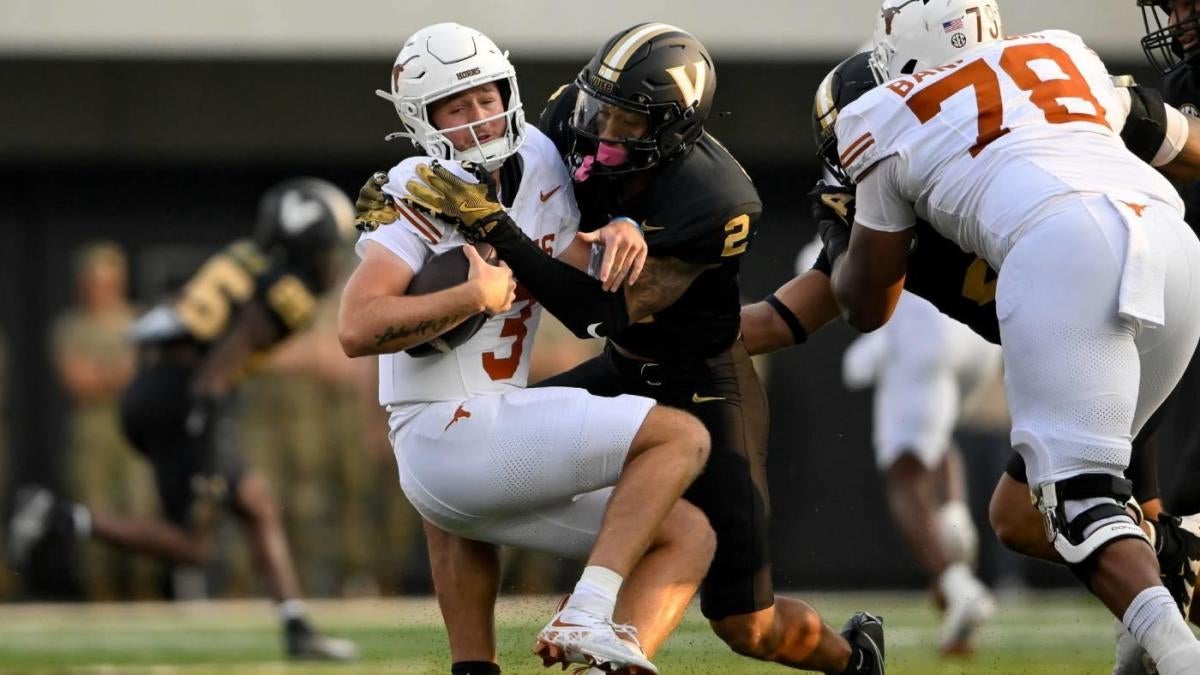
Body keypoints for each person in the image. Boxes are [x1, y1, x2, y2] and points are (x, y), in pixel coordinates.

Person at [396, 22, 886, 675]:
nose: (603, 130)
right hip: (621, 367)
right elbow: (516, 187)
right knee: (463, 476)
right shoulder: (567, 119)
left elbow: (593, 311)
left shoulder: (714, 200)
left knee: (746, 623)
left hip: (703, 385)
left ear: (674, 130)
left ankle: (855, 659)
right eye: (600, 108)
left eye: (628, 121)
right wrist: (404, 207)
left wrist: (502, 231)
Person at [827, 0, 1200, 670]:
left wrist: (843, 232)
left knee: (1078, 500)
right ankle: (1152, 625)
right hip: (1173, 243)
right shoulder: (1061, 52)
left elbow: (867, 302)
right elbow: (1189, 147)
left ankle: (1180, 656)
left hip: (1065, 247)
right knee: (1029, 509)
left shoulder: (881, 112)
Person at [340, 22, 716, 675]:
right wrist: (469, 296)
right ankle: (587, 610)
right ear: (421, 120)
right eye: (455, 108)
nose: (479, 119)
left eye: (486, 98)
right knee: (679, 437)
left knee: (688, 533)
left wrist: (618, 229)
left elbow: (562, 254)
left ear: (508, 91)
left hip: (487, 437)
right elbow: (356, 326)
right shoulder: (418, 186)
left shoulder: (540, 157)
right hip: (443, 433)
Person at [8, 178, 360, 661]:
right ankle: (57, 517)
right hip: (185, 401)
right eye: (325, 248)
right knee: (193, 546)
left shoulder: (244, 256)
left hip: (161, 386)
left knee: (257, 505)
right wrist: (206, 445)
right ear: (304, 245)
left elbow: (165, 324)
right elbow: (215, 378)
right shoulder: (287, 293)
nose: (331, 261)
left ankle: (296, 627)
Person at [841, 291, 1000, 654]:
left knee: (904, 470)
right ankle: (954, 517)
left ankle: (956, 585)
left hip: (923, 326)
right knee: (935, 437)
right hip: (980, 332)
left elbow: (837, 279)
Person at [49, 241, 157, 600]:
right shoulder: (71, 326)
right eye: (96, 280)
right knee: (94, 509)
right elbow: (78, 381)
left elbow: (146, 374)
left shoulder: (140, 321)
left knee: (141, 507)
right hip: (92, 434)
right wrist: (119, 373)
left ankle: (144, 591)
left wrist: (104, 374)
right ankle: (99, 592)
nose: (103, 288)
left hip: (135, 428)